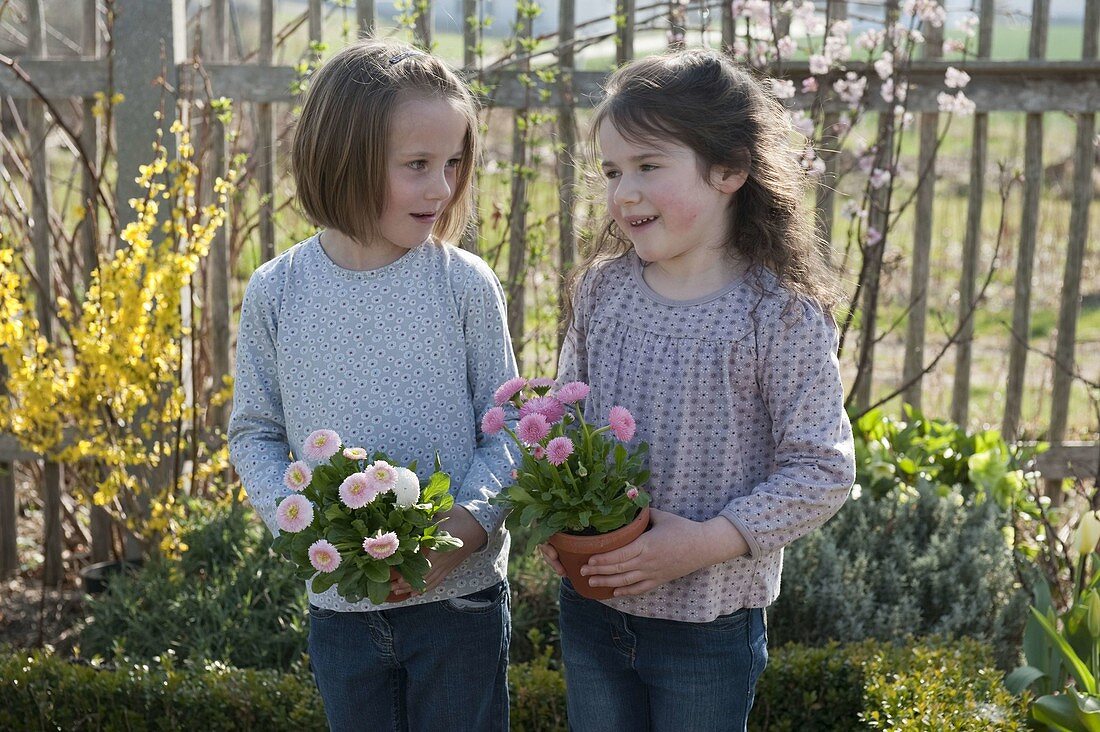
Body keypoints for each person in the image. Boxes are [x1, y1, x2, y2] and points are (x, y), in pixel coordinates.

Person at [542, 49, 856, 731]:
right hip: (592, 610)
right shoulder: (602, 292)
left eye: (649, 165)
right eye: (612, 171)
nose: (624, 192)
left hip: (707, 625)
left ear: (729, 169)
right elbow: (561, 423)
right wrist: (549, 515)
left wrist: (709, 540)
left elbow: (822, 469)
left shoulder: (777, 314)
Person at [228, 38, 516, 732]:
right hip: (343, 610)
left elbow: (508, 427)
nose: (442, 188)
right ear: (345, 160)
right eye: (417, 166)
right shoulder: (278, 292)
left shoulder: (463, 284)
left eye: (452, 164)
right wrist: (302, 527)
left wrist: (467, 527)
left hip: (460, 606)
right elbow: (255, 432)